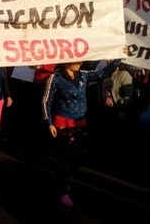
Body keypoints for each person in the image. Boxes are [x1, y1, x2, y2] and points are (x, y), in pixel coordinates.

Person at [42, 59, 121, 207]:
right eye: (77, 61)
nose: (80, 63)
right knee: (65, 157)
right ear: (67, 62)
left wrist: (118, 59)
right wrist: (49, 123)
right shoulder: (55, 78)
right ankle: (63, 190)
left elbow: (102, 73)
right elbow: (46, 101)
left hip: (80, 123)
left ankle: (60, 177)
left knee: (78, 156)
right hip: (62, 124)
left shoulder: (83, 76)